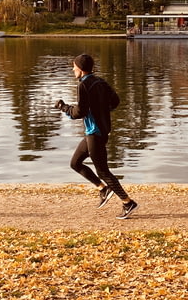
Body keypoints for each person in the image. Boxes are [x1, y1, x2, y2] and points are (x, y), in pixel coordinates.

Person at [54, 53, 138, 219]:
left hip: (95, 133)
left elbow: (80, 112)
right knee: (75, 163)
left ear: (81, 69)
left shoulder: (83, 85)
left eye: (74, 67)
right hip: (97, 131)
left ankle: (128, 202)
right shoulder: (100, 81)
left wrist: (64, 108)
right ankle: (102, 189)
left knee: (103, 171)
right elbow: (115, 101)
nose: (73, 69)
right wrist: (102, 111)